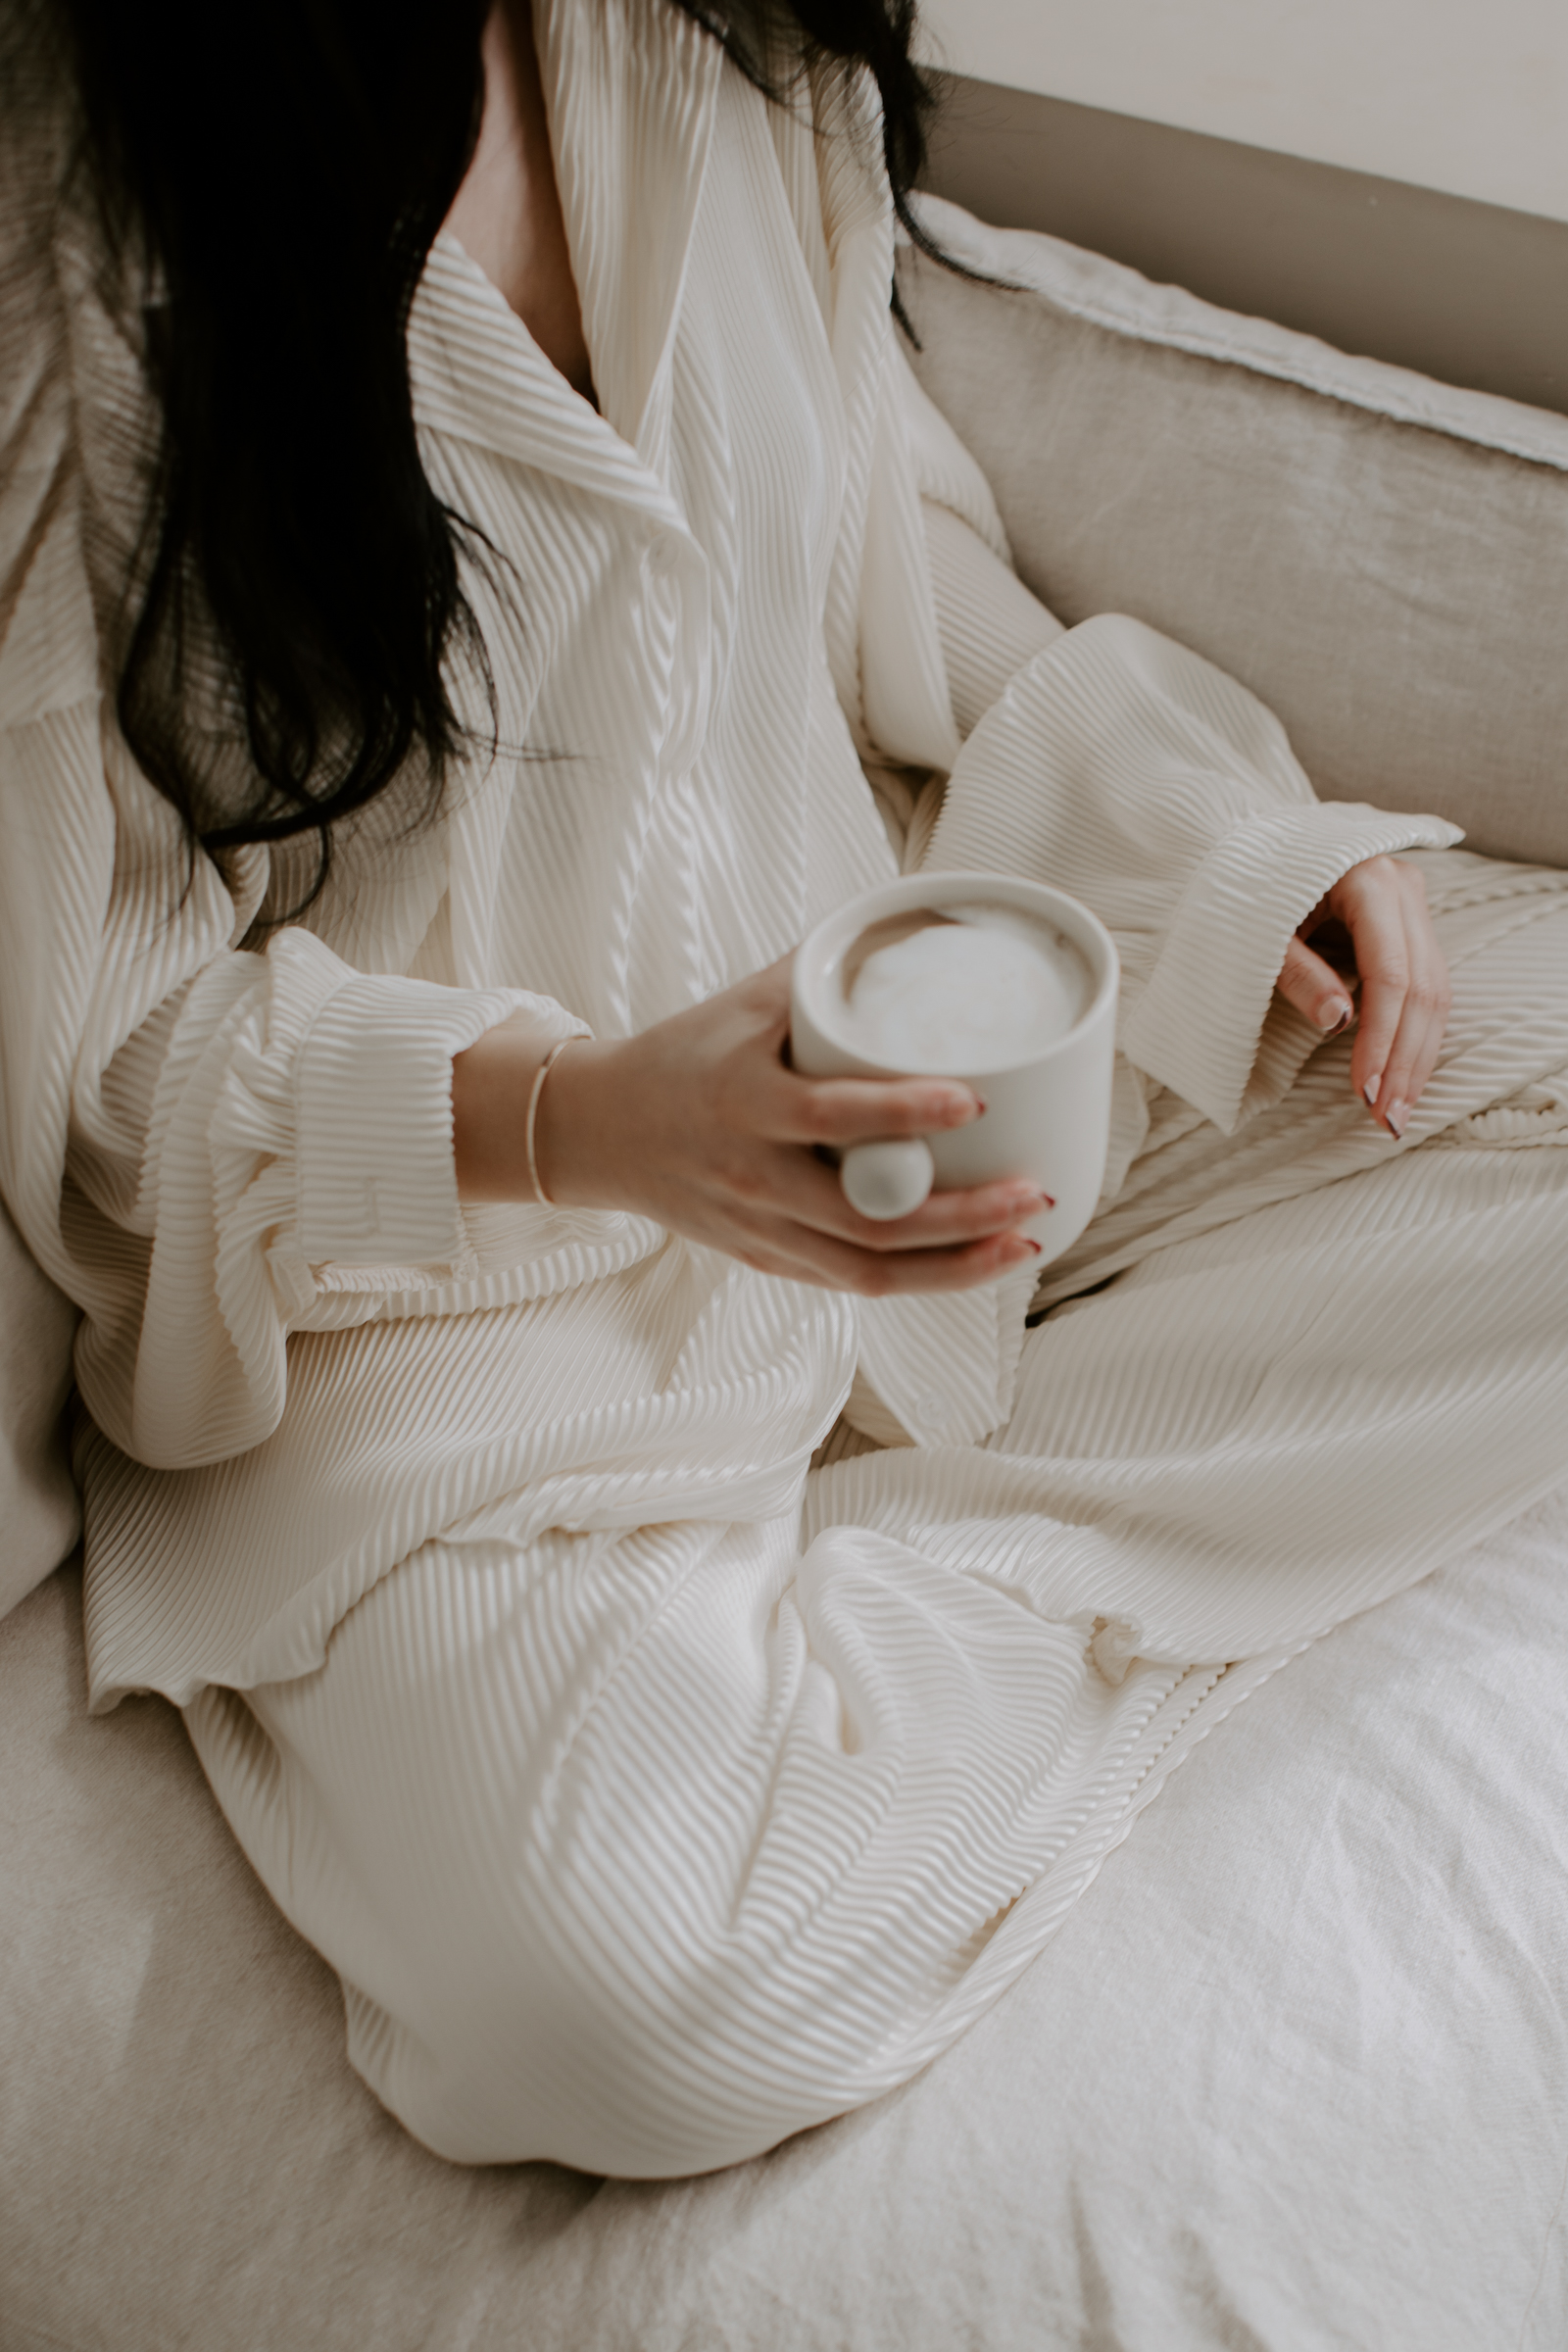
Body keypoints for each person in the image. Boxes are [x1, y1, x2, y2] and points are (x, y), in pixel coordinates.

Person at [4, 0, 1567, 2177]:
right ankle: (801, 1648)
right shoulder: (60, 216)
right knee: (631, 2008)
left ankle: (862, 1595)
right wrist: (590, 1120)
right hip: (434, 1276)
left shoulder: (723, 30)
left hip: (884, 992)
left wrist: (1211, 843)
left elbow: (860, 526)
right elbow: (97, 1071)